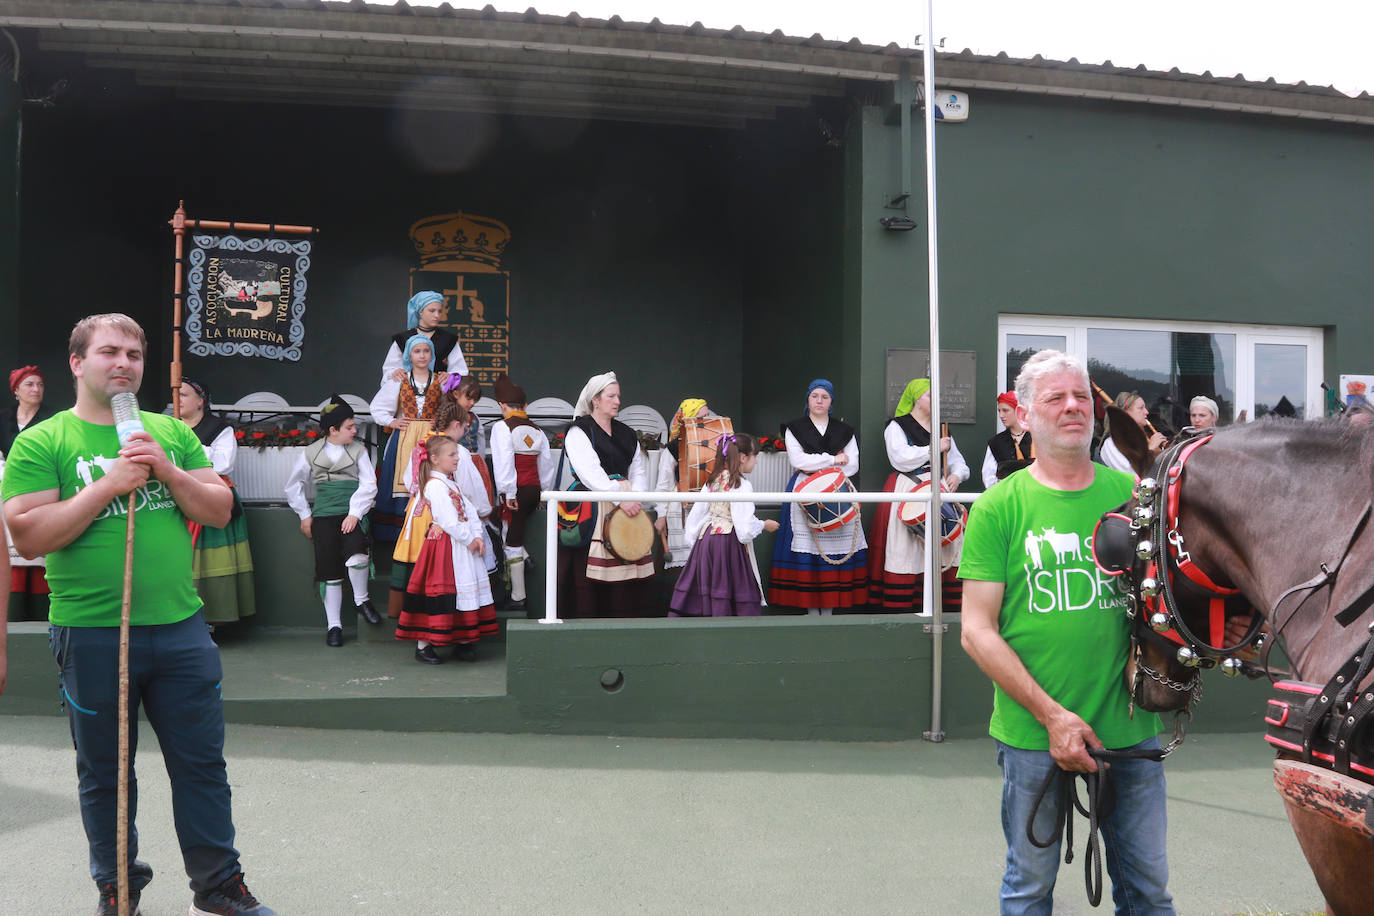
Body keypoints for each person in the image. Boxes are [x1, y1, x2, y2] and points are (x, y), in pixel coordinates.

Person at [1, 313, 274, 916]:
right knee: (104, 770)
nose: (123, 363)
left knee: (201, 764)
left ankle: (219, 884)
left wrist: (168, 471)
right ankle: (117, 884)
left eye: (134, 354)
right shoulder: (44, 441)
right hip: (92, 633)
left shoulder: (168, 433)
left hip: (181, 628)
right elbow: (29, 534)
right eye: (108, 352)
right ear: (77, 363)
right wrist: (107, 486)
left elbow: (220, 508)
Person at [958, 349, 1172, 915]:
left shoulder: (1136, 497)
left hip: (1129, 730)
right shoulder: (998, 507)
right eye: (1055, 398)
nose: (1073, 406)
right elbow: (976, 630)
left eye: (1081, 396)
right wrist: (1053, 718)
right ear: (1025, 416)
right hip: (1032, 734)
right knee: (1029, 891)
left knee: (1149, 894)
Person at [284, 396, 381, 646]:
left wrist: (355, 513)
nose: (355, 430)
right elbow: (293, 485)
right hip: (324, 516)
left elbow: (369, 484)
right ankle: (334, 626)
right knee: (330, 572)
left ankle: (361, 600)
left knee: (357, 555)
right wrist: (305, 514)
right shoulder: (311, 453)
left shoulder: (359, 451)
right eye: (349, 427)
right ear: (333, 430)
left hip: (351, 512)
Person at [867, 378, 969, 612]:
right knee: (907, 546)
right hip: (910, 488)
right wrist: (934, 448)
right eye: (929, 395)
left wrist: (956, 476)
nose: (934, 400)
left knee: (947, 542)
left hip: (939, 488)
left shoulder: (942, 428)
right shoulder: (897, 426)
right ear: (915, 398)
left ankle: (941, 607)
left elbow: (958, 462)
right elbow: (900, 458)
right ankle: (907, 608)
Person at [557, 370, 653, 617]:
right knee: (589, 571)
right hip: (594, 506)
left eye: (618, 396)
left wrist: (635, 498)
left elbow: (638, 470)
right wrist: (620, 498)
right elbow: (590, 473)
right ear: (595, 400)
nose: (617, 401)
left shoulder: (627, 433)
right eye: (611, 396)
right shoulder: (579, 431)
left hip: (628, 504)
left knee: (629, 560)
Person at [767, 378, 868, 615]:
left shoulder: (844, 431)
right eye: (815, 396)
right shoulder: (795, 428)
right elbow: (799, 461)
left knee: (837, 542)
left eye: (824, 397)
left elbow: (852, 464)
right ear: (808, 399)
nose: (819, 401)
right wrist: (833, 460)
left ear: (831, 401)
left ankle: (830, 611)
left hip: (839, 489)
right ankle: (811, 612)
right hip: (804, 488)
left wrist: (825, 470)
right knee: (808, 546)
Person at [396, 435, 495, 663]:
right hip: (446, 548)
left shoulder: (452, 483)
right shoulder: (434, 486)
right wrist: (469, 539)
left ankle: (463, 641)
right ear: (435, 459)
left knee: (462, 593)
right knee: (441, 594)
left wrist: (477, 536)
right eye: (452, 454)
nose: (457, 458)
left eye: (456, 454)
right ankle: (424, 646)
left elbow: (470, 511)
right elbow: (448, 521)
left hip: (462, 545)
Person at [670, 433, 778, 617]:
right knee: (731, 589)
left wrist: (695, 540)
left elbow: (696, 516)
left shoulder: (712, 481)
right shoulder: (741, 484)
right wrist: (763, 524)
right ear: (743, 458)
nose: (756, 462)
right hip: (728, 545)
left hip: (706, 543)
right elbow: (744, 529)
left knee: (709, 590)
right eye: (755, 457)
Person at [179, 379, 256, 625]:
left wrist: (191, 448)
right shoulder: (169, 426)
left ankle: (215, 616)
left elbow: (224, 463)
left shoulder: (218, 428)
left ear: (200, 401)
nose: (177, 400)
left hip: (212, 499)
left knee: (212, 561)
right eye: (175, 395)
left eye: (184, 394)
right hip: (177, 498)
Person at [489, 375, 555, 613]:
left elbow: (503, 463)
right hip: (534, 492)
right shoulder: (536, 430)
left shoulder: (501, 427)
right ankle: (525, 559)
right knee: (497, 524)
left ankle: (518, 597)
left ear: (501, 406)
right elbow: (546, 465)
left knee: (511, 541)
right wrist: (543, 494)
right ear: (525, 406)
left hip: (515, 492)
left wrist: (508, 493)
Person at [370, 334, 443, 543]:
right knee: (401, 480)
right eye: (417, 351)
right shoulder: (400, 380)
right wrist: (391, 422)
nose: (422, 355)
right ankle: (400, 537)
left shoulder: (439, 380)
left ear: (432, 354)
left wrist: (439, 423)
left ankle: (429, 528)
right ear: (409, 356)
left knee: (432, 480)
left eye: (426, 351)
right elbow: (377, 406)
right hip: (404, 438)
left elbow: (451, 405)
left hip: (432, 438)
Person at [653, 397, 718, 571]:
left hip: (709, 506)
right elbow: (663, 484)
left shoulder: (714, 443)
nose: (706, 420)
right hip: (683, 508)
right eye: (701, 416)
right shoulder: (674, 448)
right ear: (688, 419)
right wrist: (661, 515)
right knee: (689, 565)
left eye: (707, 416)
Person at [380, 290, 467, 386]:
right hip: (407, 394)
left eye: (439, 311)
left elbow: (461, 372)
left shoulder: (448, 340)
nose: (437, 315)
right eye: (432, 311)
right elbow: (389, 369)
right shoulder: (403, 339)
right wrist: (395, 372)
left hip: (440, 394)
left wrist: (450, 377)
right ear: (420, 311)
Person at [1099, 391, 1166, 473]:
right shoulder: (1111, 444)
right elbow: (1131, 474)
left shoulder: (1142, 439)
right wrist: (1151, 448)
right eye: (1141, 408)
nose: (1146, 412)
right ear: (1125, 413)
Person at [981, 391, 1034, 488]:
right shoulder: (996, 443)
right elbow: (988, 478)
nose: (1001, 415)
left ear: (1019, 411)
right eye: (999, 411)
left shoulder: (1037, 437)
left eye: (1005, 410)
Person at [0, 364, 55, 456]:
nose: (36, 389)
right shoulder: (3, 417)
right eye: (29, 384)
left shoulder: (53, 418)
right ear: (16, 390)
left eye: (40, 385)